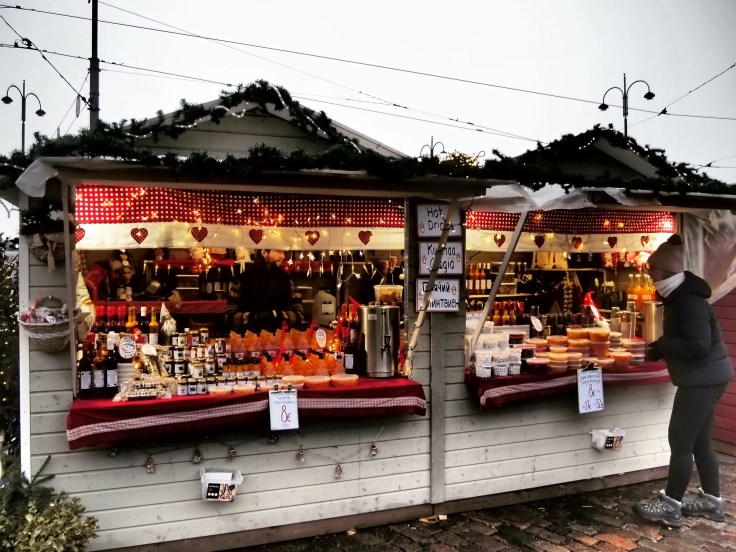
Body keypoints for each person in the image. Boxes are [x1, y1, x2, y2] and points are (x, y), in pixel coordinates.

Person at [632, 234, 733, 527]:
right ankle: (712, 501)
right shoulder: (681, 296)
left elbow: (698, 345)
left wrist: (664, 346)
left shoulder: (687, 301)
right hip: (709, 377)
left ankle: (671, 505)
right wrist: (661, 349)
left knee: (680, 441)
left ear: (665, 271)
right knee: (700, 441)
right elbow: (691, 340)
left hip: (701, 380)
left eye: (652, 269)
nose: (650, 274)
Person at [227, 249, 304, 334]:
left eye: (283, 252)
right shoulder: (243, 280)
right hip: (249, 339)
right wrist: (252, 317)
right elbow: (229, 316)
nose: (283, 256)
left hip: (282, 339)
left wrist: (279, 315)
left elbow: (299, 315)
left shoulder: (289, 281)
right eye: (278, 251)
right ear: (264, 252)